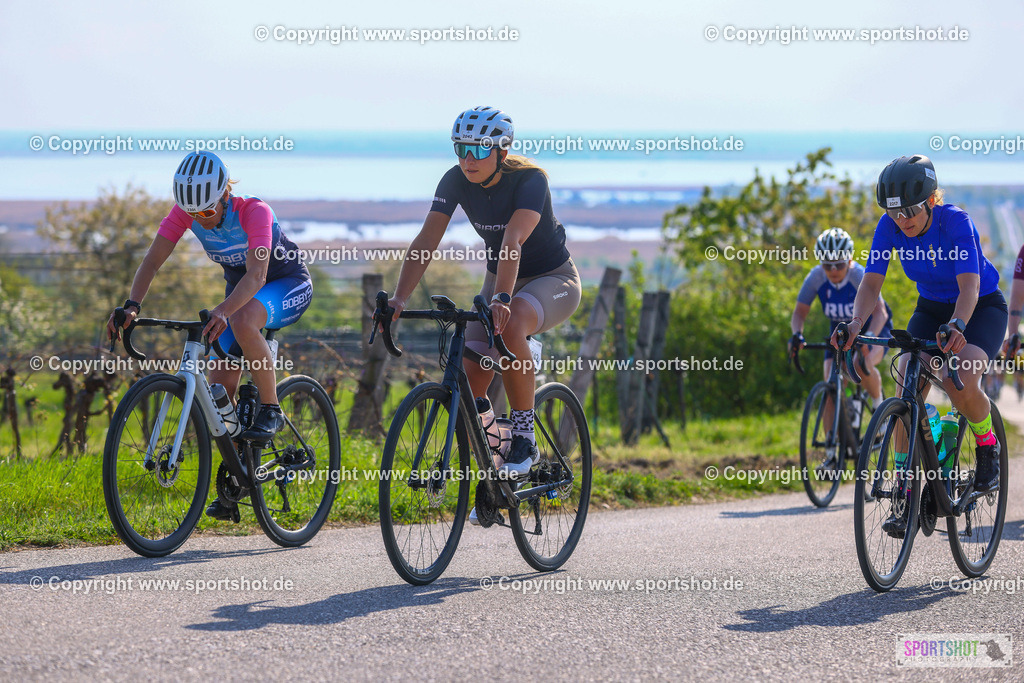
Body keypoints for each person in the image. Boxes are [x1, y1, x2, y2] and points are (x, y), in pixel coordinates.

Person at [387, 106, 581, 522]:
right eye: (461, 148)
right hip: (500, 278)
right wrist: (399, 300)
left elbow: (513, 239)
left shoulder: (531, 181)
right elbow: (427, 240)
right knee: (471, 370)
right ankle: (496, 473)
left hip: (551, 278)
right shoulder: (456, 179)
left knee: (511, 327)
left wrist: (503, 300)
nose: (467, 158)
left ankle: (525, 435)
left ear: (501, 149)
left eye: (477, 148)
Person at [107, 151, 313, 521]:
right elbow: (152, 260)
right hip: (240, 296)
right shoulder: (186, 212)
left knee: (245, 321)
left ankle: (272, 409)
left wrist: (223, 311)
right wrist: (132, 304)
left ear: (223, 195)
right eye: (194, 214)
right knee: (221, 396)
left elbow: (257, 277)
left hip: (284, 283)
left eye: (207, 211)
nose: (202, 219)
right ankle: (238, 479)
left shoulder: (255, 212)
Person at [836, 154, 1007, 536]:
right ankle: (905, 490)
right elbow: (871, 283)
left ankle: (987, 445)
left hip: (979, 308)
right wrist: (855, 323)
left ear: (932, 200)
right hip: (930, 308)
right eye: (894, 213)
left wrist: (959, 325)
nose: (902, 220)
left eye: (910, 211)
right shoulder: (889, 227)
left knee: (961, 378)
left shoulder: (956, 222)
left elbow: (970, 287)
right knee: (905, 392)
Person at [789, 227, 891, 420]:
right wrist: (797, 334)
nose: (834, 270)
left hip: (872, 327)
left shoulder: (858, 275)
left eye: (839, 264)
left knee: (861, 366)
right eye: (828, 266)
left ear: (849, 260)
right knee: (831, 388)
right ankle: (831, 446)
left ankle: (880, 410)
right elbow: (799, 313)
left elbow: (881, 314)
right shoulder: (815, 277)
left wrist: (868, 339)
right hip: (840, 333)